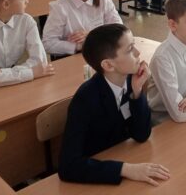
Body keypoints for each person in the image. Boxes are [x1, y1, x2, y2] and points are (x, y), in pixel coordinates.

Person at [58, 23, 170, 186]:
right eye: (130, 49)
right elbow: (68, 166)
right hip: (97, 174)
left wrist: (137, 93)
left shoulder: (131, 81)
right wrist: (124, 169)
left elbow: (142, 135)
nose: (138, 53)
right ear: (108, 65)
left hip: (124, 156)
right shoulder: (85, 99)